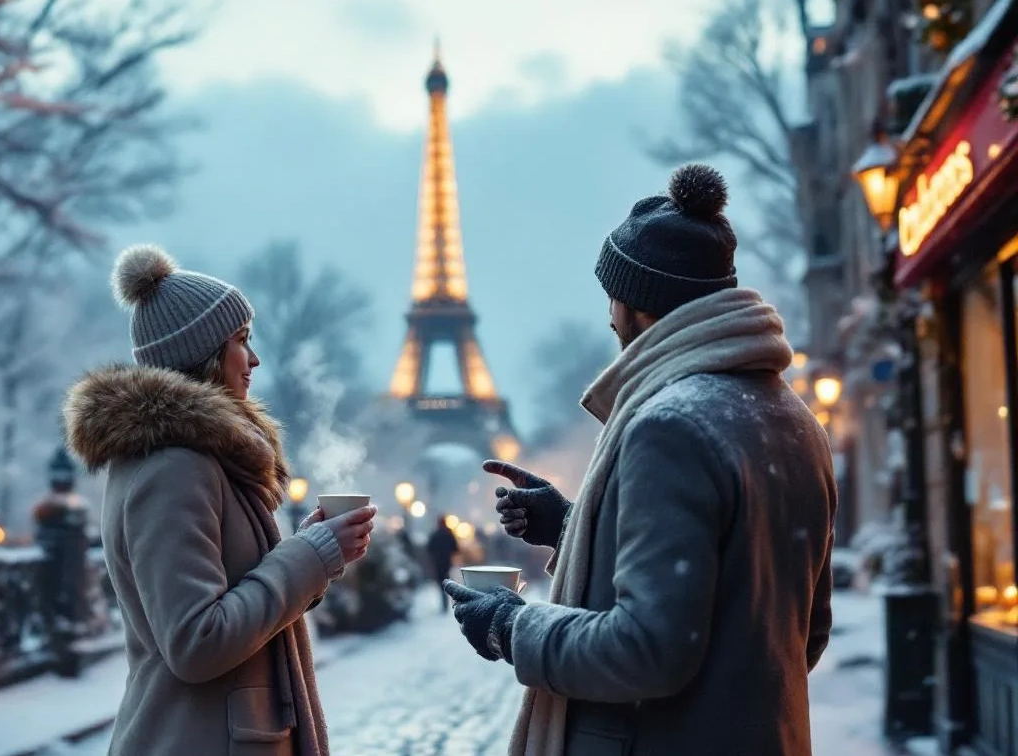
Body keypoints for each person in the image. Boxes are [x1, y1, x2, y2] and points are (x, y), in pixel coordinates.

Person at [441, 164, 836, 756]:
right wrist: (579, 526)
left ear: (639, 305)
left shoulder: (670, 426)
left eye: (613, 296)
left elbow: (650, 649)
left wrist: (512, 628)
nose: (608, 316)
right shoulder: (791, 418)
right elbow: (797, 626)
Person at [63, 244, 376, 756]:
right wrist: (307, 557)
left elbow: (234, 597)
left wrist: (317, 554)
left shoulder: (194, 458)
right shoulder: (173, 467)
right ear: (204, 354)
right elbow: (197, 642)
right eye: (241, 340)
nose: (253, 360)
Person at [425, 513, 461, 612]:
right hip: (447, 562)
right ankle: (447, 601)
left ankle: (443, 602)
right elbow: (456, 548)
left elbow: (429, 548)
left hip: (437, 562)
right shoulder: (449, 534)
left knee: (441, 582)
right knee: (446, 580)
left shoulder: (435, 534)